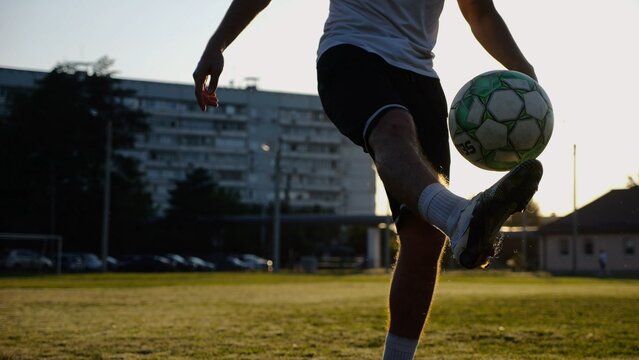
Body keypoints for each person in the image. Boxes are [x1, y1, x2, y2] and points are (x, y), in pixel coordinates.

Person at [193, 1, 543, 358]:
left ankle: (454, 224)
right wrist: (217, 44)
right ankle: (460, 217)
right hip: (351, 52)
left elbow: (480, 12)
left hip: (421, 77)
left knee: (424, 241)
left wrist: (523, 70)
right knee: (393, 127)